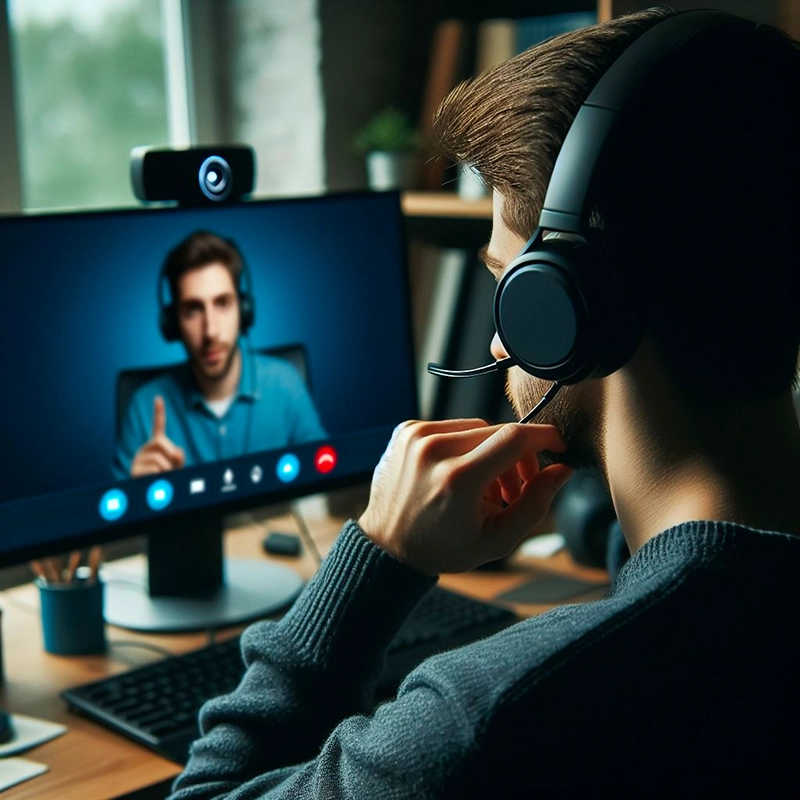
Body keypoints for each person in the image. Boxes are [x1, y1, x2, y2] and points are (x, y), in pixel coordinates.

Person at [169, 7, 800, 795]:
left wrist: (376, 556)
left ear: (568, 312)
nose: (502, 346)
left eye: (508, 287)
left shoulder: (484, 718)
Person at [113, 230, 327, 478]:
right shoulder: (143, 409)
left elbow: (326, 485)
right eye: (193, 309)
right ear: (173, 323)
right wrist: (137, 492)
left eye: (222, 303)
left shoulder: (286, 384)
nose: (211, 331)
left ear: (243, 310)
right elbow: (115, 508)